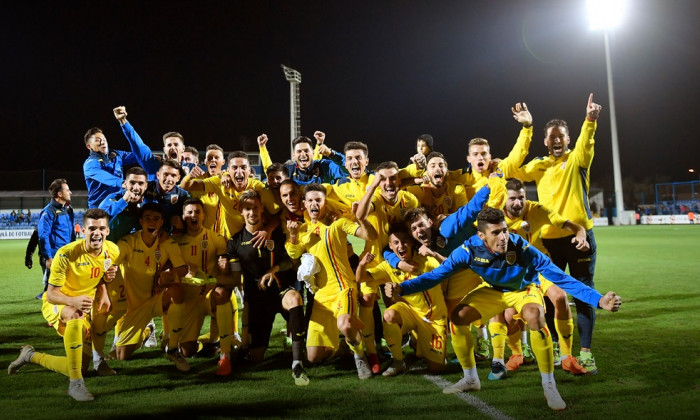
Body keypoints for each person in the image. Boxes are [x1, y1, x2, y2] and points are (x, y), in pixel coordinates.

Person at [387, 207, 621, 410]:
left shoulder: (522, 247)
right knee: (457, 317)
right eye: (496, 232)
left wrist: (599, 300)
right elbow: (435, 276)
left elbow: (561, 277)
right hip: (493, 291)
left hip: (524, 290)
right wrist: (402, 288)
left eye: (505, 230)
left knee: (534, 315)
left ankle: (549, 384)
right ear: (481, 236)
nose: (503, 237)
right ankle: (470, 379)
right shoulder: (468, 251)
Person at [513, 93, 604, 373]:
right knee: (551, 297)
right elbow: (515, 168)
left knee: (583, 295)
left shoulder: (576, 160)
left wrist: (589, 121)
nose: (556, 139)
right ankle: (555, 347)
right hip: (547, 244)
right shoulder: (539, 166)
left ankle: (586, 353)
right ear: (545, 140)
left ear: (567, 138)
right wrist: (526, 128)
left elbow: (585, 145)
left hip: (579, 239)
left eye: (561, 135)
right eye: (551, 136)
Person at [8, 209, 119, 402]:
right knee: (75, 314)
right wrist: (73, 300)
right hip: (58, 302)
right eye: (92, 228)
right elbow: (51, 294)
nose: (97, 233)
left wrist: (104, 291)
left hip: (82, 305)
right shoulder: (66, 254)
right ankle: (75, 385)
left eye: (101, 228)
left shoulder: (112, 250)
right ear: (82, 230)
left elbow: (101, 272)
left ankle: (30, 356)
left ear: (107, 231)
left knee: (76, 366)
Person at [490, 178, 590, 377]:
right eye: (512, 199)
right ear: (504, 199)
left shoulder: (537, 210)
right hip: (514, 273)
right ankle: (517, 354)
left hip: (540, 267)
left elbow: (574, 226)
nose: (518, 203)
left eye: (521, 198)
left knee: (560, 297)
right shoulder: (495, 217)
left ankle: (566, 357)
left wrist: (581, 235)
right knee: (509, 315)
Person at [285, 183, 377, 379]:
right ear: (304, 205)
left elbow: (370, 235)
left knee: (345, 324)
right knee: (313, 356)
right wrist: (293, 236)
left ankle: (360, 356)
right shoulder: (302, 230)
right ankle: (345, 346)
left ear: (326, 203)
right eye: (310, 201)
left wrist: (361, 219)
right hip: (321, 296)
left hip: (344, 288)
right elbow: (293, 253)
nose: (314, 204)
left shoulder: (339, 223)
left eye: (318, 200)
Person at [227, 190, 309, 385]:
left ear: (262, 208)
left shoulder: (277, 234)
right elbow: (235, 275)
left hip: (280, 290)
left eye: (255, 207)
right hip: (258, 300)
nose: (252, 212)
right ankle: (246, 349)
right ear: (241, 210)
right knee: (256, 358)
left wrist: (274, 269)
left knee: (295, 298)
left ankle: (297, 363)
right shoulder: (235, 242)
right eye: (247, 208)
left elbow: (292, 261)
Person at [356, 224, 448, 376]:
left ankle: (418, 341)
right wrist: (362, 264)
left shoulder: (426, 261)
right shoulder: (388, 267)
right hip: (411, 313)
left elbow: (445, 273)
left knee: (436, 368)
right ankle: (398, 361)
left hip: (433, 317)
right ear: (391, 247)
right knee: (389, 315)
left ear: (411, 242)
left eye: (404, 241)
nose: (401, 245)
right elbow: (360, 278)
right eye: (396, 243)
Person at [355, 161, 419, 374]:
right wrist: (372, 187)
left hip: (397, 261)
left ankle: (407, 347)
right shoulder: (374, 199)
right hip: (373, 260)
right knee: (367, 300)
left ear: (399, 180)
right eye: (383, 179)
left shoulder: (409, 199)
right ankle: (372, 352)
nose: (388, 183)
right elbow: (360, 215)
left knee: (396, 304)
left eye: (392, 178)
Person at [112, 203, 188, 365]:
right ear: (140, 221)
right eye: (147, 219)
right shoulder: (128, 242)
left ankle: (173, 347)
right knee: (122, 355)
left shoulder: (168, 243)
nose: (152, 223)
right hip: (133, 307)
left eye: (156, 219)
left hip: (156, 297)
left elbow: (182, 269)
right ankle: (146, 331)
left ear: (161, 222)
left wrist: (168, 275)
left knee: (177, 292)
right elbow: (112, 264)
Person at [173, 198, 236, 375]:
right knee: (187, 351)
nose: (194, 215)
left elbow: (224, 265)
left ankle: (225, 354)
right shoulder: (175, 241)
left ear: (203, 216)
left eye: (198, 212)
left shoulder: (215, 238)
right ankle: (209, 342)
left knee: (222, 294)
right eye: (190, 212)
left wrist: (224, 264)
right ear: (183, 216)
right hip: (189, 298)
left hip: (210, 293)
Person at [83, 127, 149, 208]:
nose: (102, 142)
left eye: (104, 139)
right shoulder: (90, 164)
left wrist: (152, 157)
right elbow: (103, 176)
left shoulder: (116, 155)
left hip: (118, 205)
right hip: (99, 208)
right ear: (89, 146)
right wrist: (121, 182)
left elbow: (137, 156)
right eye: (97, 140)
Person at [258, 132, 348, 185]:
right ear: (294, 155)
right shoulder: (288, 170)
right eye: (299, 151)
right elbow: (271, 175)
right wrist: (262, 148)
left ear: (313, 153)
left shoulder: (325, 166)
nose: (303, 154)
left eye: (306, 151)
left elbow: (347, 170)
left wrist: (332, 154)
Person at [37, 179, 76, 299]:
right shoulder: (48, 212)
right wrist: (48, 257)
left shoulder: (68, 209)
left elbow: (72, 232)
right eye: (67, 190)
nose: (70, 192)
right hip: (56, 255)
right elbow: (43, 236)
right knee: (52, 288)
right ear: (59, 194)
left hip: (68, 253)